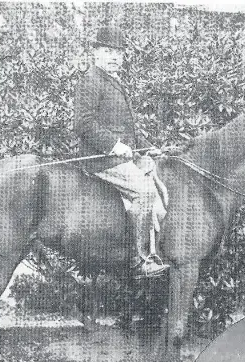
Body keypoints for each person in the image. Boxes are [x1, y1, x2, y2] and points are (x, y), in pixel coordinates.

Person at [73, 26, 169, 279]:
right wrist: (114, 145)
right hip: (103, 160)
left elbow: (128, 129)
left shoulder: (113, 82)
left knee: (160, 191)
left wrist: (148, 147)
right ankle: (140, 260)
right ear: (95, 53)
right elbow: (83, 123)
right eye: (108, 51)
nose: (114, 57)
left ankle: (159, 249)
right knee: (144, 191)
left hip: (120, 156)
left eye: (118, 52)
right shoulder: (90, 81)